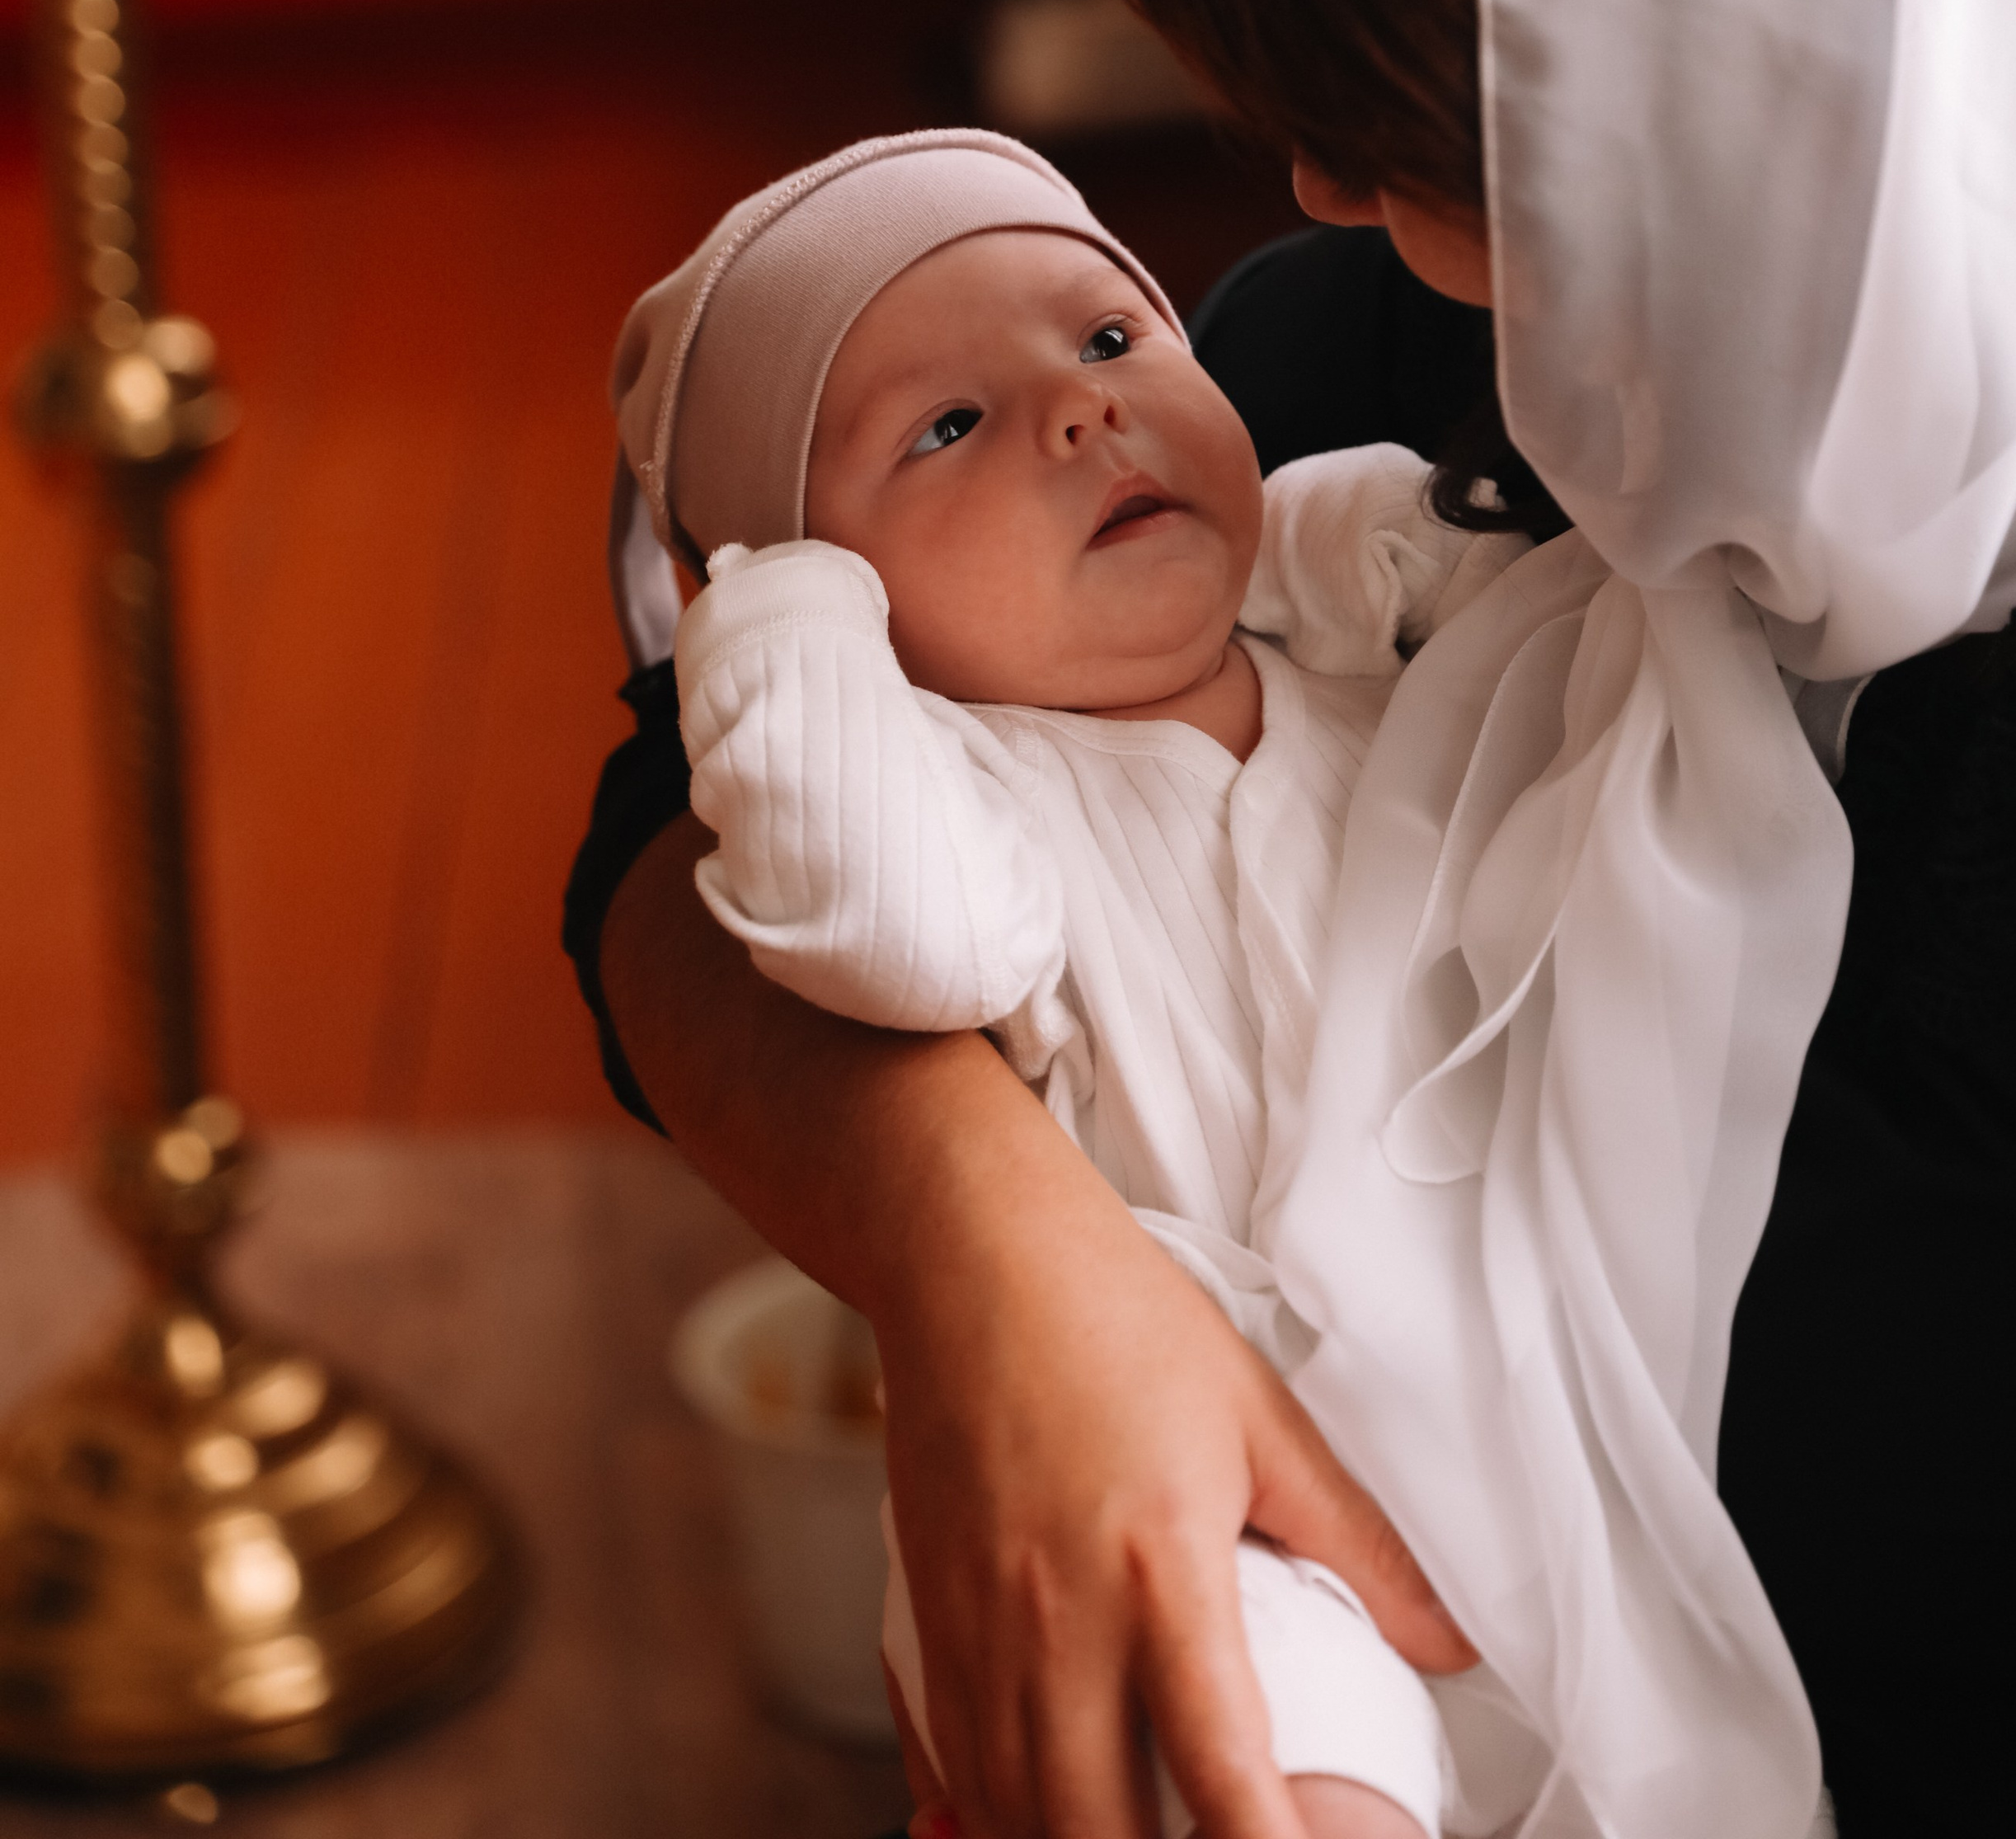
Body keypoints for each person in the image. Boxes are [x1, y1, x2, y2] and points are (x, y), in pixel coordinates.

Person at [566, 0, 2016, 1839]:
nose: (1313, 213)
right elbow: (663, 807)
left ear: (1781, 68)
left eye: (1414, 141)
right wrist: (1001, 1270)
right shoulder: (1444, 361)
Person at [609, 126, 1535, 1839]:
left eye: (1108, 338)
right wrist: (766, 604)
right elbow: (873, 922)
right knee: (1273, 1783)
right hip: (1188, 1450)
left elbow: (1536, 601)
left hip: (1528, 1395)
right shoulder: (967, 801)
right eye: (943, 427)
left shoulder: (1340, 608)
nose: (1077, 411)